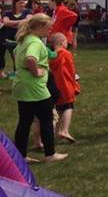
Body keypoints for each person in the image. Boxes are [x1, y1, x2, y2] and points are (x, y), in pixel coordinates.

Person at [12, 14, 68, 162]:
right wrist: (36, 71)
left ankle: (20, 155)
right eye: (48, 28)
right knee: (46, 119)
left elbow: (15, 53)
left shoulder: (23, 40)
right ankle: (50, 154)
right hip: (35, 87)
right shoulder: (35, 42)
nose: (49, 31)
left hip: (21, 85)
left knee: (24, 120)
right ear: (40, 27)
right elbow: (31, 58)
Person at [48, 33, 80, 143]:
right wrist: (75, 82)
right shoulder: (66, 54)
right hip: (66, 84)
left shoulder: (51, 55)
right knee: (68, 107)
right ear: (62, 42)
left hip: (54, 85)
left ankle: (57, 131)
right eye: (66, 41)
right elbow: (71, 69)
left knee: (58, 108)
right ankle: (64, 130)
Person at [2, 0, 32, 79]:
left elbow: (29, 21)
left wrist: (12, 24)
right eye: (20, 3)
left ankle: (19, 74)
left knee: (21, 57)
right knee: (12, 56)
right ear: (15, 3)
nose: (22, 4)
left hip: (22, 39)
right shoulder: (7, 13)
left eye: (23, 2)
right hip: (9, 39)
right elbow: (6, 22)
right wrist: (21, 22)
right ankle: (16, 74)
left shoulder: (28, 12)